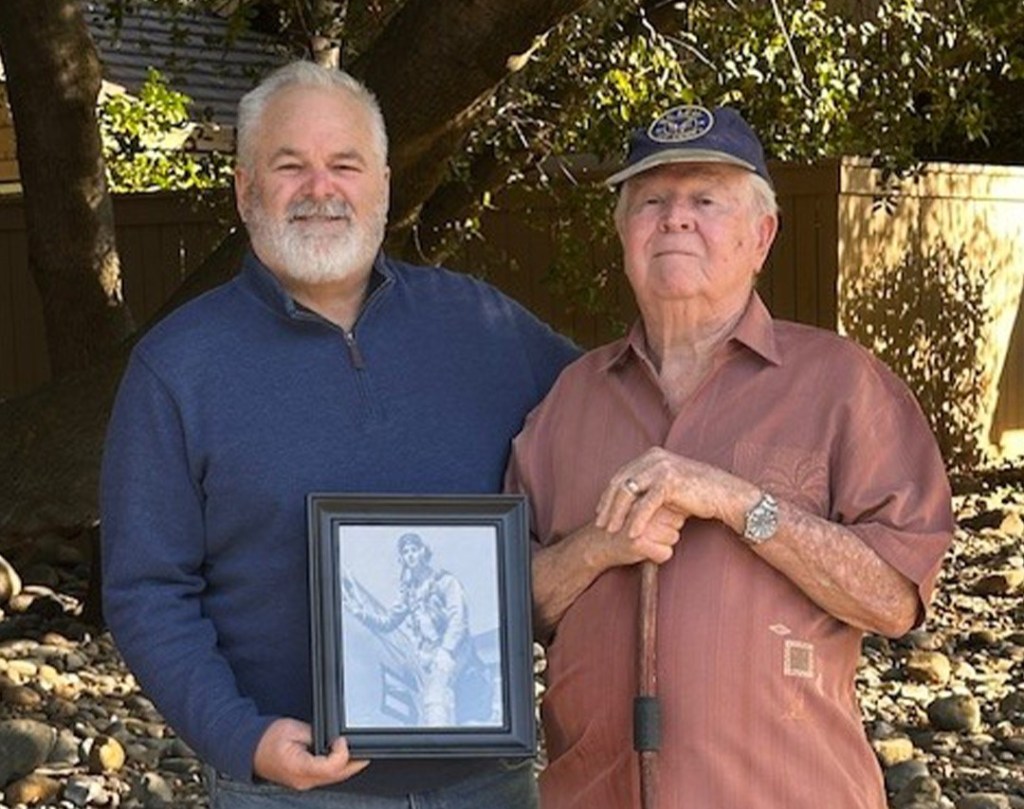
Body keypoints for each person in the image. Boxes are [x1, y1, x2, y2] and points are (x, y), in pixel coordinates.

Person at [100, 60, 578, 808]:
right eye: (290, 166)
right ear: (244, 188)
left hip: (487, 782)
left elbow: (616, 416)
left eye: (345, 165)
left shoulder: (484, 329)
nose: (320, 189)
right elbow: (146, 588)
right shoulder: (177, 368)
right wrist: (241, 736)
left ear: (383, 184)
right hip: (289, 789)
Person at [506, 104, 954, 808]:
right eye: (651, 200)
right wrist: (596, 547)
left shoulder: (842, 386)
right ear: (624, 233)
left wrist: (740, 502)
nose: (675, 218)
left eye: (706, 199)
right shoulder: (570, 400)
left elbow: (896, 597)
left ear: (761, 235)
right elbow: (509, 602)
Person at [343, 532, 490, 727]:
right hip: (428, 655)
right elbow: (388, 621)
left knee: (434, 697)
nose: (410, 555)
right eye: (405, 552)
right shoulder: (409, 592)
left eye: (414, 550)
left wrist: (446, 651)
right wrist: (360, 613)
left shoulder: (445, 582)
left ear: (423, 552)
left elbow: (459, 619)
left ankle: (440, 748)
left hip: (454, 652)